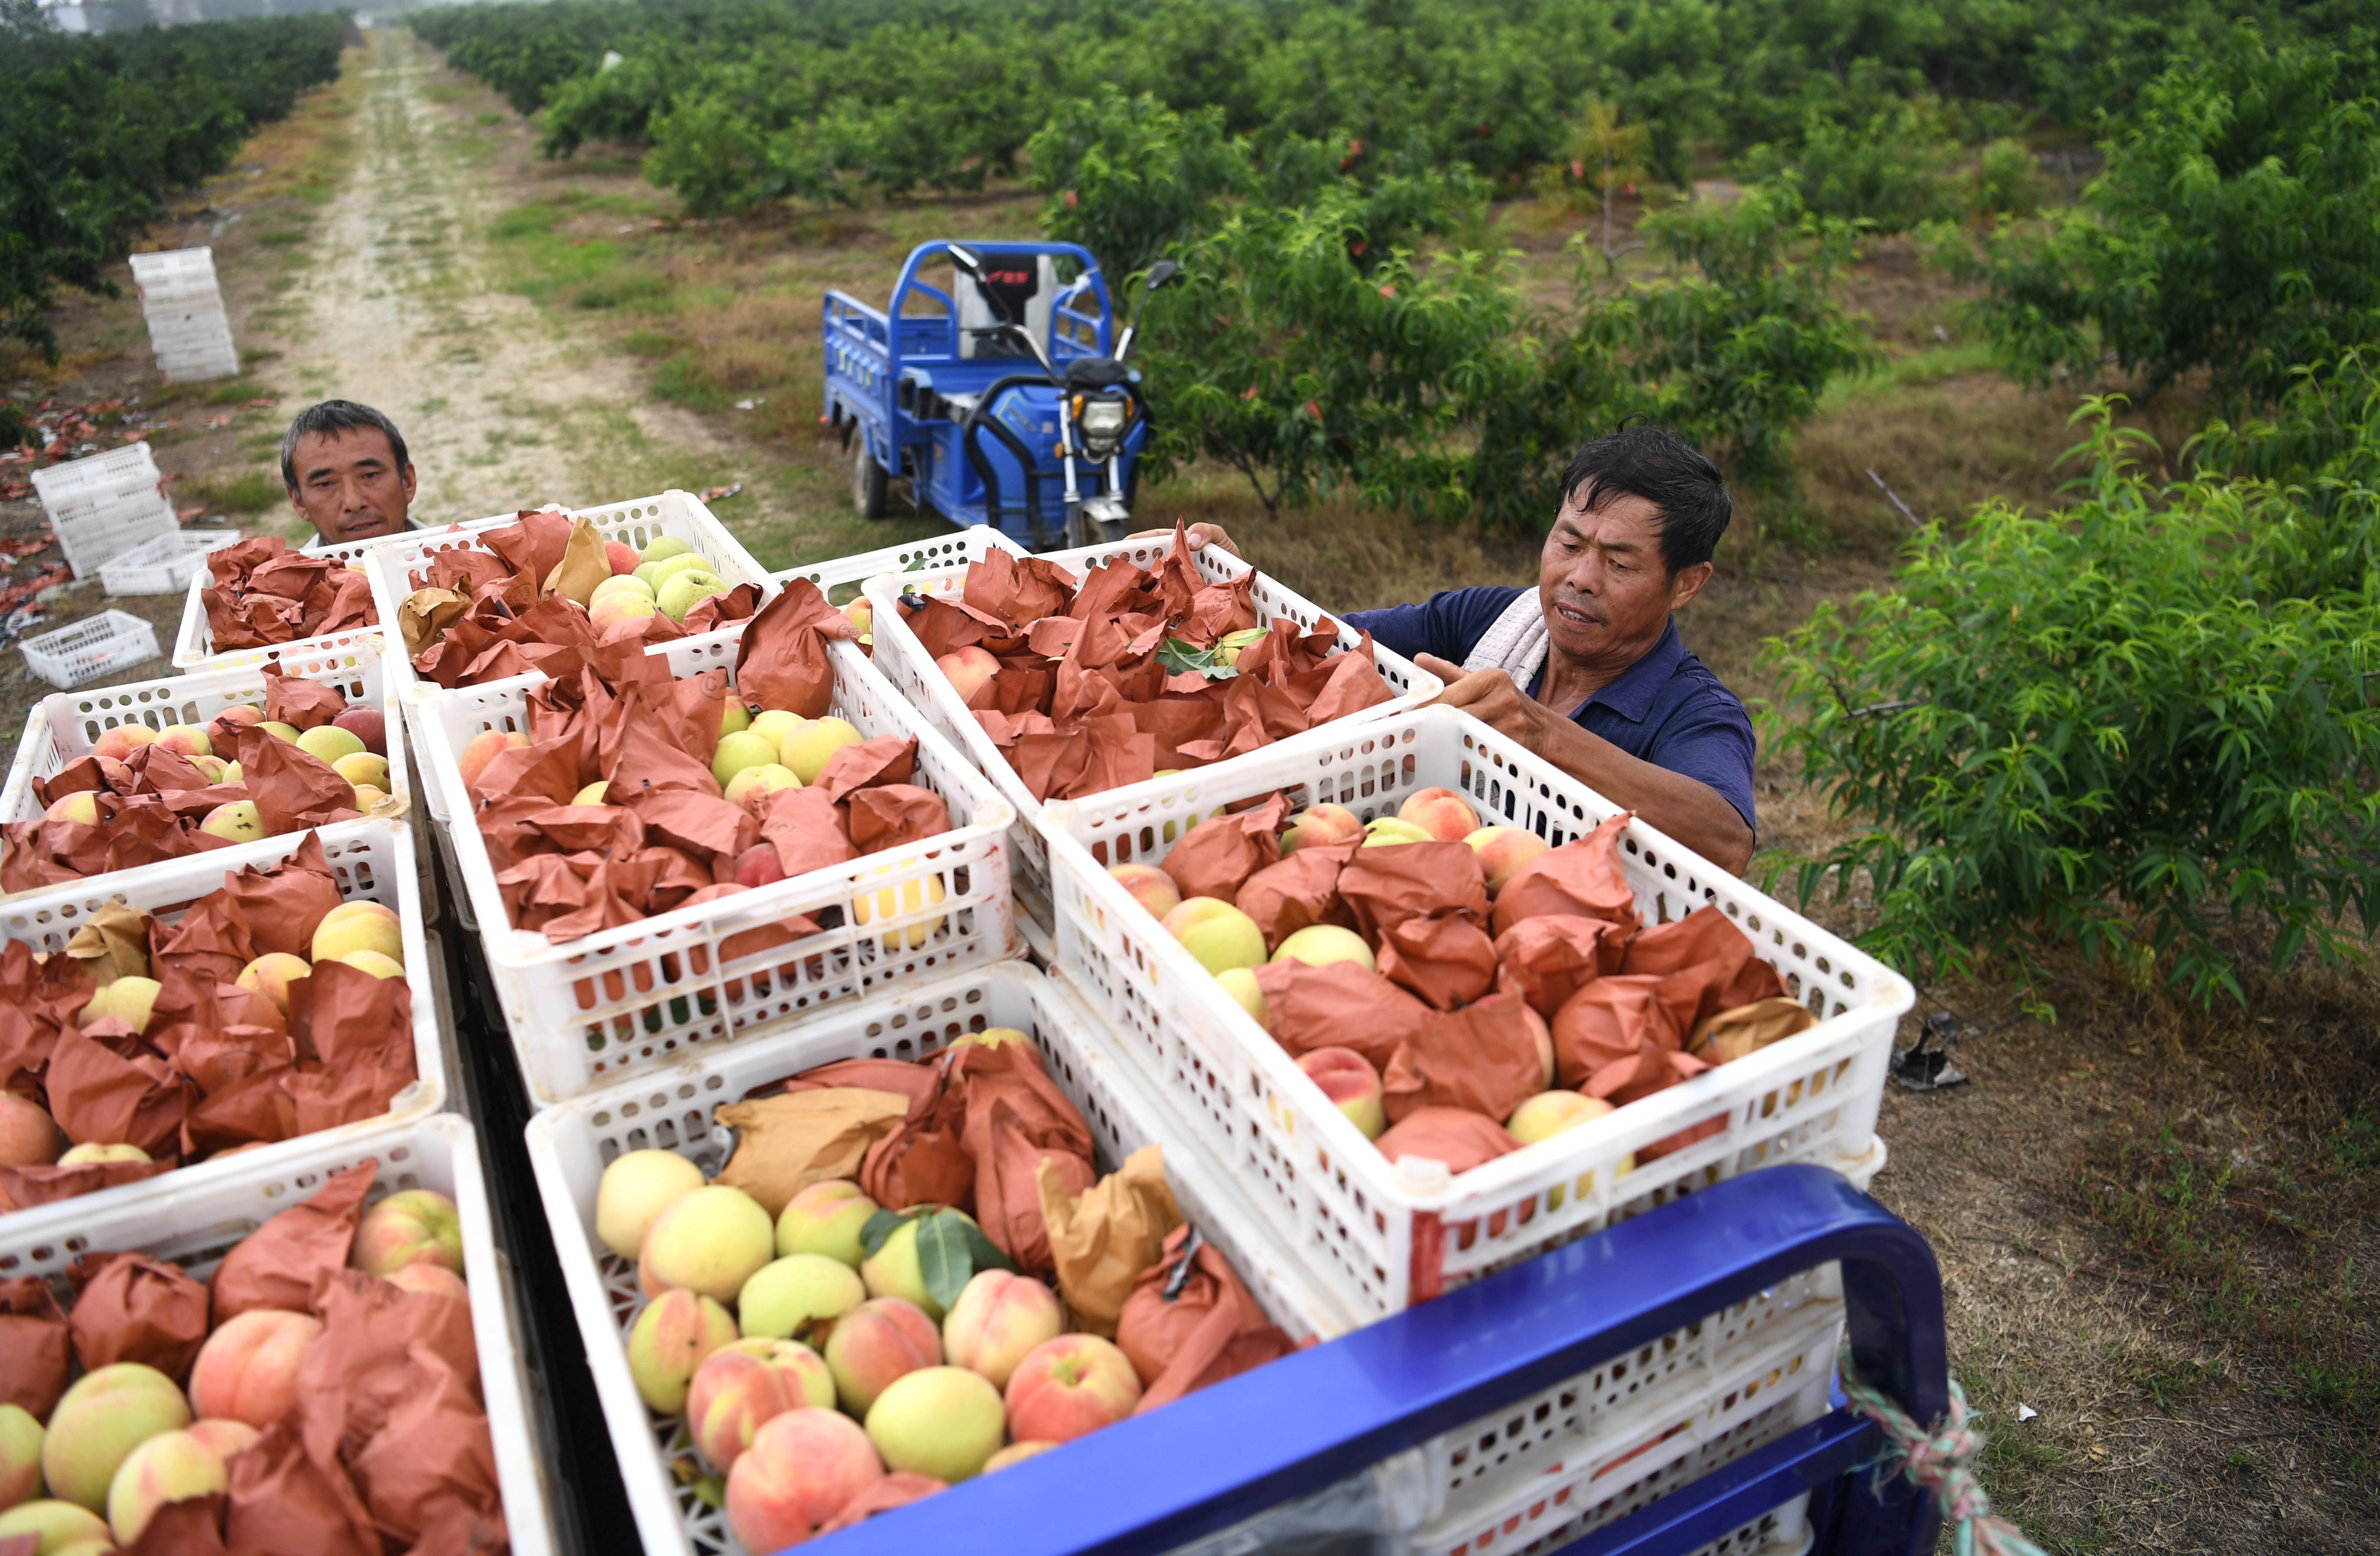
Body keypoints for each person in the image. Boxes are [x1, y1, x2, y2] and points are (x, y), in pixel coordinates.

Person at [1164, 425, 1757, 873]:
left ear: (1685, 583)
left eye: (1619, 562)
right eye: (1568, 543)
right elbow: (1318, 643)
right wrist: (1229, 586)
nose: (1580, 577)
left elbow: (1726, 839)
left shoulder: (1694, 710)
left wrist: (1544, 736)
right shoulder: (1492, 619)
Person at [279, 399, 419, 545]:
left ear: (407, 481)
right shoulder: (284, 569)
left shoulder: (444, 554)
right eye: (325, 484)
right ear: (299, 503)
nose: (353, 503)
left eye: (370, 476)